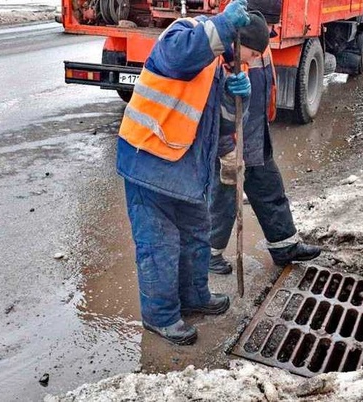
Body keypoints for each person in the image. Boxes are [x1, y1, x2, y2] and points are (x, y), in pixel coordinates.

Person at [116, 2, 268, 345]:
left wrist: (231, 99)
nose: (243, 64)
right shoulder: (182, 35)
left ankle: (195, 296)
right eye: (245, 56)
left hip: (184, 170)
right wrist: (223, 25)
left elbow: (215, 127)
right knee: (159, 246)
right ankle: (161, 317)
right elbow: (180, 58)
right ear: (234, 38)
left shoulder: (218, 67)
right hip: (148, 161)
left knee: (196, 235)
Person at [208, 3, 322, 275]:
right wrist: (226, 147)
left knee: (270, 187)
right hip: (231, 139)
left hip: (255, 134)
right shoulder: (222, 54)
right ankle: (208, 254)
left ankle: (285, 246)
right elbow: (214, 109)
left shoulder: (259, 39)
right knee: (223, 199)